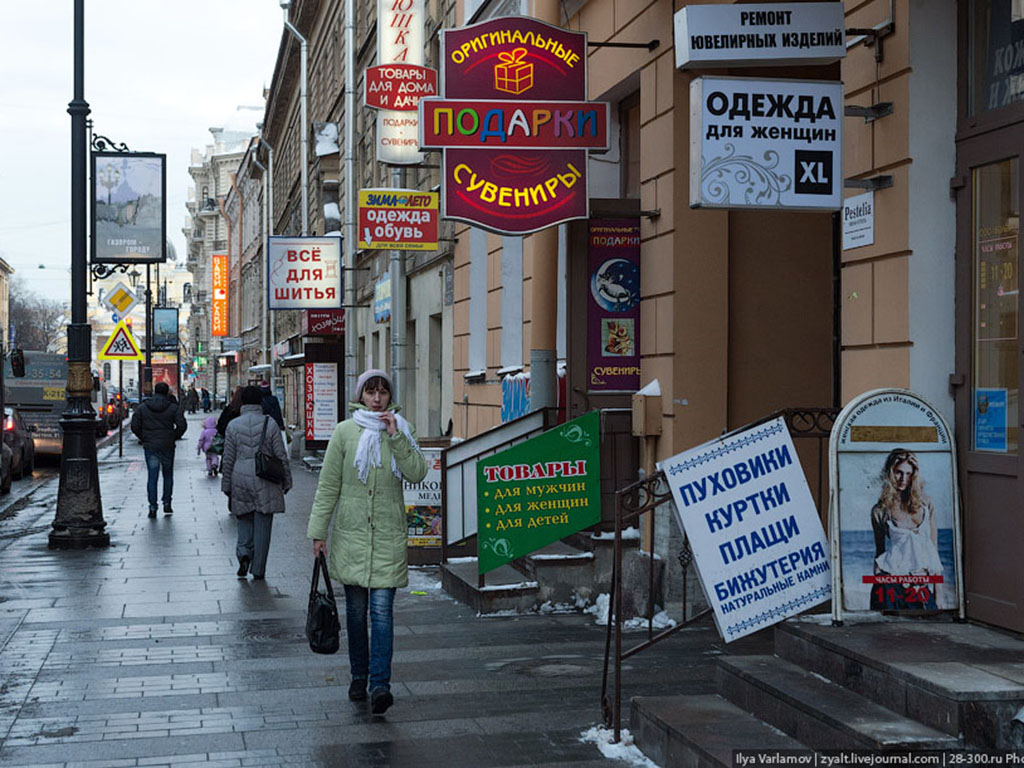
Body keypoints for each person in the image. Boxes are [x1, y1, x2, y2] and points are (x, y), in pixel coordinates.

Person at [307, 369, 426, 715]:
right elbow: (328, 486)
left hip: (388, 536)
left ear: (390, 396)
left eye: (383, 392)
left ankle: (380, 685)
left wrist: (396, 438)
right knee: (357, 615)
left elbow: (418, 472)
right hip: (352, 535)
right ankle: (359, 676)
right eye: (371, 392)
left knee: (383, 614)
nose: (377, 398)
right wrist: (318, 533)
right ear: (360, 396)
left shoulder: (402, 429)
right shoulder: (345, 433)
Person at [221, 386, 292, 580]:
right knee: (263, 524)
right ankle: (258, 569)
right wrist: (286, 480)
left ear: (242, 402)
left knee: (243, 517)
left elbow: (228, 458)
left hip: (240, 475)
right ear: (260, 402)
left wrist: (226, 485)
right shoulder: (270, 424)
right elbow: (281, 455)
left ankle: (244, 553)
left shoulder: (233, 426)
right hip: (266, 477)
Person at [870, 448, 943, 610]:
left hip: (920, 586)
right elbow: (880, 552)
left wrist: (939, 593)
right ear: (890, 473)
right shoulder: (880, 511)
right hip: (890, 584)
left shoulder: (926, 504)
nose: (903, 479)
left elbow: (933, 551)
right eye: (898, 473)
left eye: (909, 474)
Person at [130, 381, 187, 518]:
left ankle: (152, 507)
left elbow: (134, 425)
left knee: (152, 476)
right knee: (167, 475)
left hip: (150, 445)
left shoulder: (143, 407)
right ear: (166, 392)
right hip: (167, 444)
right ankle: (167, 503)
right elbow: (182, 425)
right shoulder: (173, 407)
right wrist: (173, 436)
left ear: (155, 391)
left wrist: (143, 437)